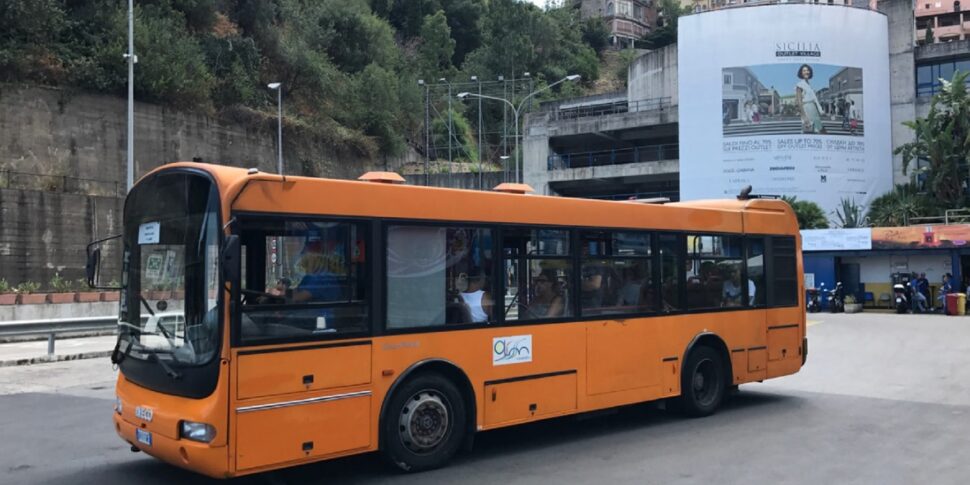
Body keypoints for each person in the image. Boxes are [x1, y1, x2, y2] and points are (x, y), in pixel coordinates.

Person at [795, 64, 824, 134]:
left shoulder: (809, 85)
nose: (806, 72)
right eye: (804, 70)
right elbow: (799, 102)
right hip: (807, 109)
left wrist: (819, 109)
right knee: (808, 131)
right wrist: (804, 117)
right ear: (801, 73)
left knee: (818, 131)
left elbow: (814, 99)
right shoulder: (799, 84)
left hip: (813, 109)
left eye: (807, 70)